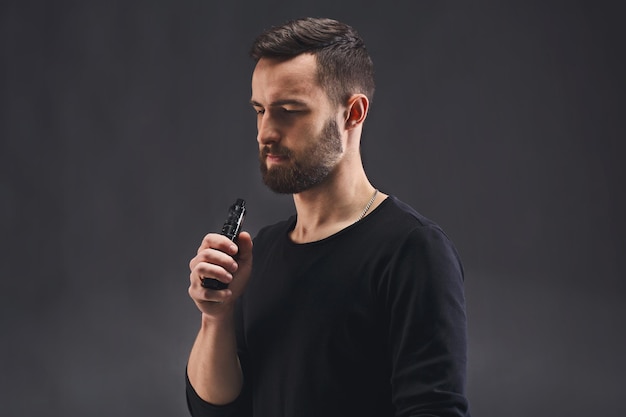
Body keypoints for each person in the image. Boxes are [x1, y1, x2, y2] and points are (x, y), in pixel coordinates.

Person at [185, 17, 471, 417]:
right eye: (260, 110)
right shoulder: (259, 252)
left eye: (289, 111)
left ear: (353, 113)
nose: (265, 132)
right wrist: (216, 317)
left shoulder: (413, 251)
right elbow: (217, 412)